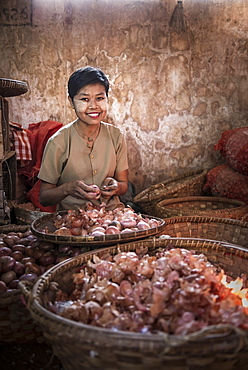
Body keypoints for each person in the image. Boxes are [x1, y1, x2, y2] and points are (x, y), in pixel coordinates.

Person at [38, 66, 129, 211]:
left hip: (112, 217)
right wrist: (67, 189)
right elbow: (44, 198)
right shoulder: (58, 142)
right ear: (71, 102)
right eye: (85, 99)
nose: (93, 106)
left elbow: (124, 185)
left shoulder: (116, 136)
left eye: (100, 98)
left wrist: (116, 187)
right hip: (73, 220)